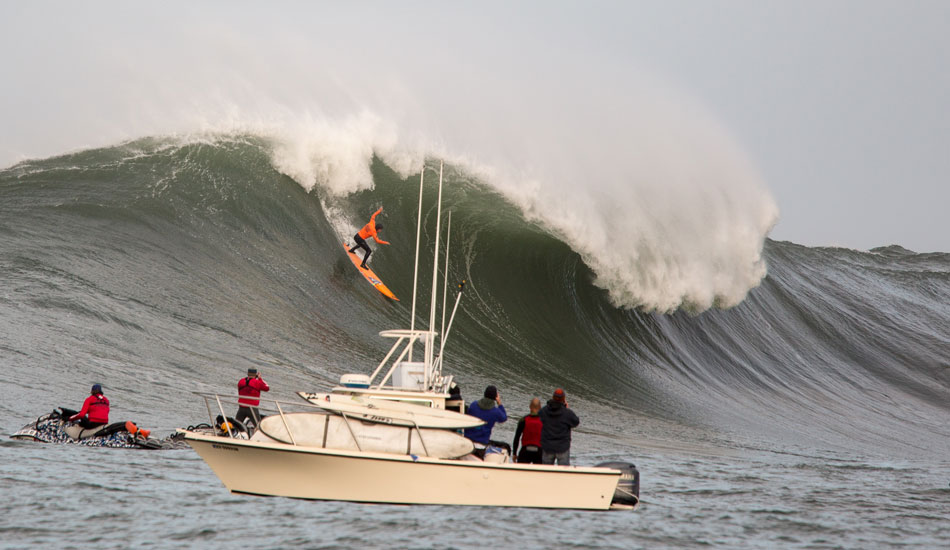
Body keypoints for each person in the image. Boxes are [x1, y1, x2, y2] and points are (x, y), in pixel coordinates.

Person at [462, 385, 507, 457]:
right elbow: (504, 418)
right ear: (495, 397)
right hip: (481, 445)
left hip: (468, 441)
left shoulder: (473, 405)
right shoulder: (495, 411)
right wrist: (499, 403)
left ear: (484, 393)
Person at [539, 388, 579, 466]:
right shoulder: (567, 413)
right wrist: (566, 409)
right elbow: (576, 422)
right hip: (562, 447)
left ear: (553, 397)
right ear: (563, 399)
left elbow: (538, 419)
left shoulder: (544, 411)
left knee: (546, 473)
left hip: (547, 446)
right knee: (563, 474)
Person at [512, 398, 543, 464]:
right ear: (540, 407)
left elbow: (517, 438)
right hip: (539, 451)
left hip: (525, 450)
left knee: (521, 472)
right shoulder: (544, 421)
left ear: (530, 407)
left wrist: (514, 453)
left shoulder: (523, 420)